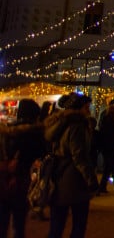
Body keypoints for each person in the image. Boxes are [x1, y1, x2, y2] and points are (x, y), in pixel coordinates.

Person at [46, 93, 99, 238]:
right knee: (78, 224)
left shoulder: (58, 124)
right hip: (74, 177)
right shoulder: (77, 126)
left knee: (56, 224)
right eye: (87, 107)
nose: (89, 110)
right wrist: (91, 179)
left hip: (57, 174)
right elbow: (79, 156)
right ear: (79, 108)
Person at [0, 99, 46, 238]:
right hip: (21, 179)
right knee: (18, 223)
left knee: (2, 220)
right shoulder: (34, 133)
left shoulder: (6, 132)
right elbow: (40, 153)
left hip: (3, 179)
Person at [97, 104, 114, 194]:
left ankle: (102, 186)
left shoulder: (108, 120)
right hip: (109, 146)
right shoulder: (112, 121)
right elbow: (111, 134)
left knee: (108, 168)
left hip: (108, 146)